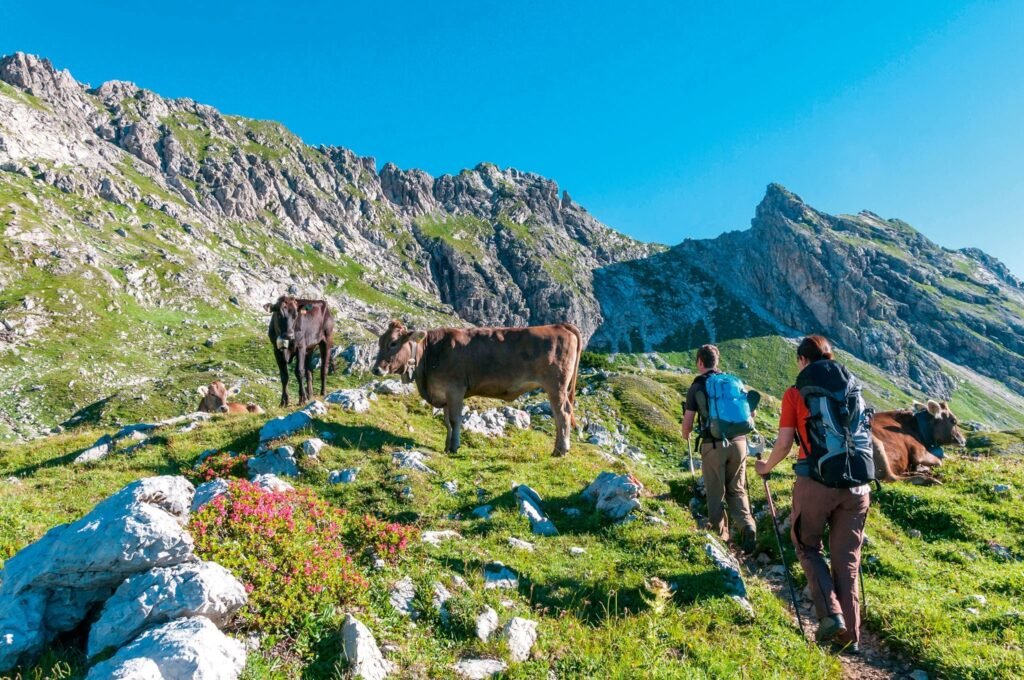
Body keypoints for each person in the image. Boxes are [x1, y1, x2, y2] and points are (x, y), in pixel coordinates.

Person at [755, 335, 869, 653]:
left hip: (816, 481)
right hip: (858, 485)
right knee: (847, 558)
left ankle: (831, 615)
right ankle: (851, 637)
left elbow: (785, 443)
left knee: (807, 546)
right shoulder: (852, 387)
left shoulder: (796, 393)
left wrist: (766, 467)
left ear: (803, 360)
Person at [681, 344, 757, 553]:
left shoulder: (698, 386)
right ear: (717, 362)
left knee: (716, 492)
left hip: (714, 445)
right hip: (740, 443)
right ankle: (747, 525)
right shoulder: (733, 381)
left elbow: (687, 423)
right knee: (737, 489)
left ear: (699, 362)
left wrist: (685, 433)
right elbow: (751, 414)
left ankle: (720, 538)